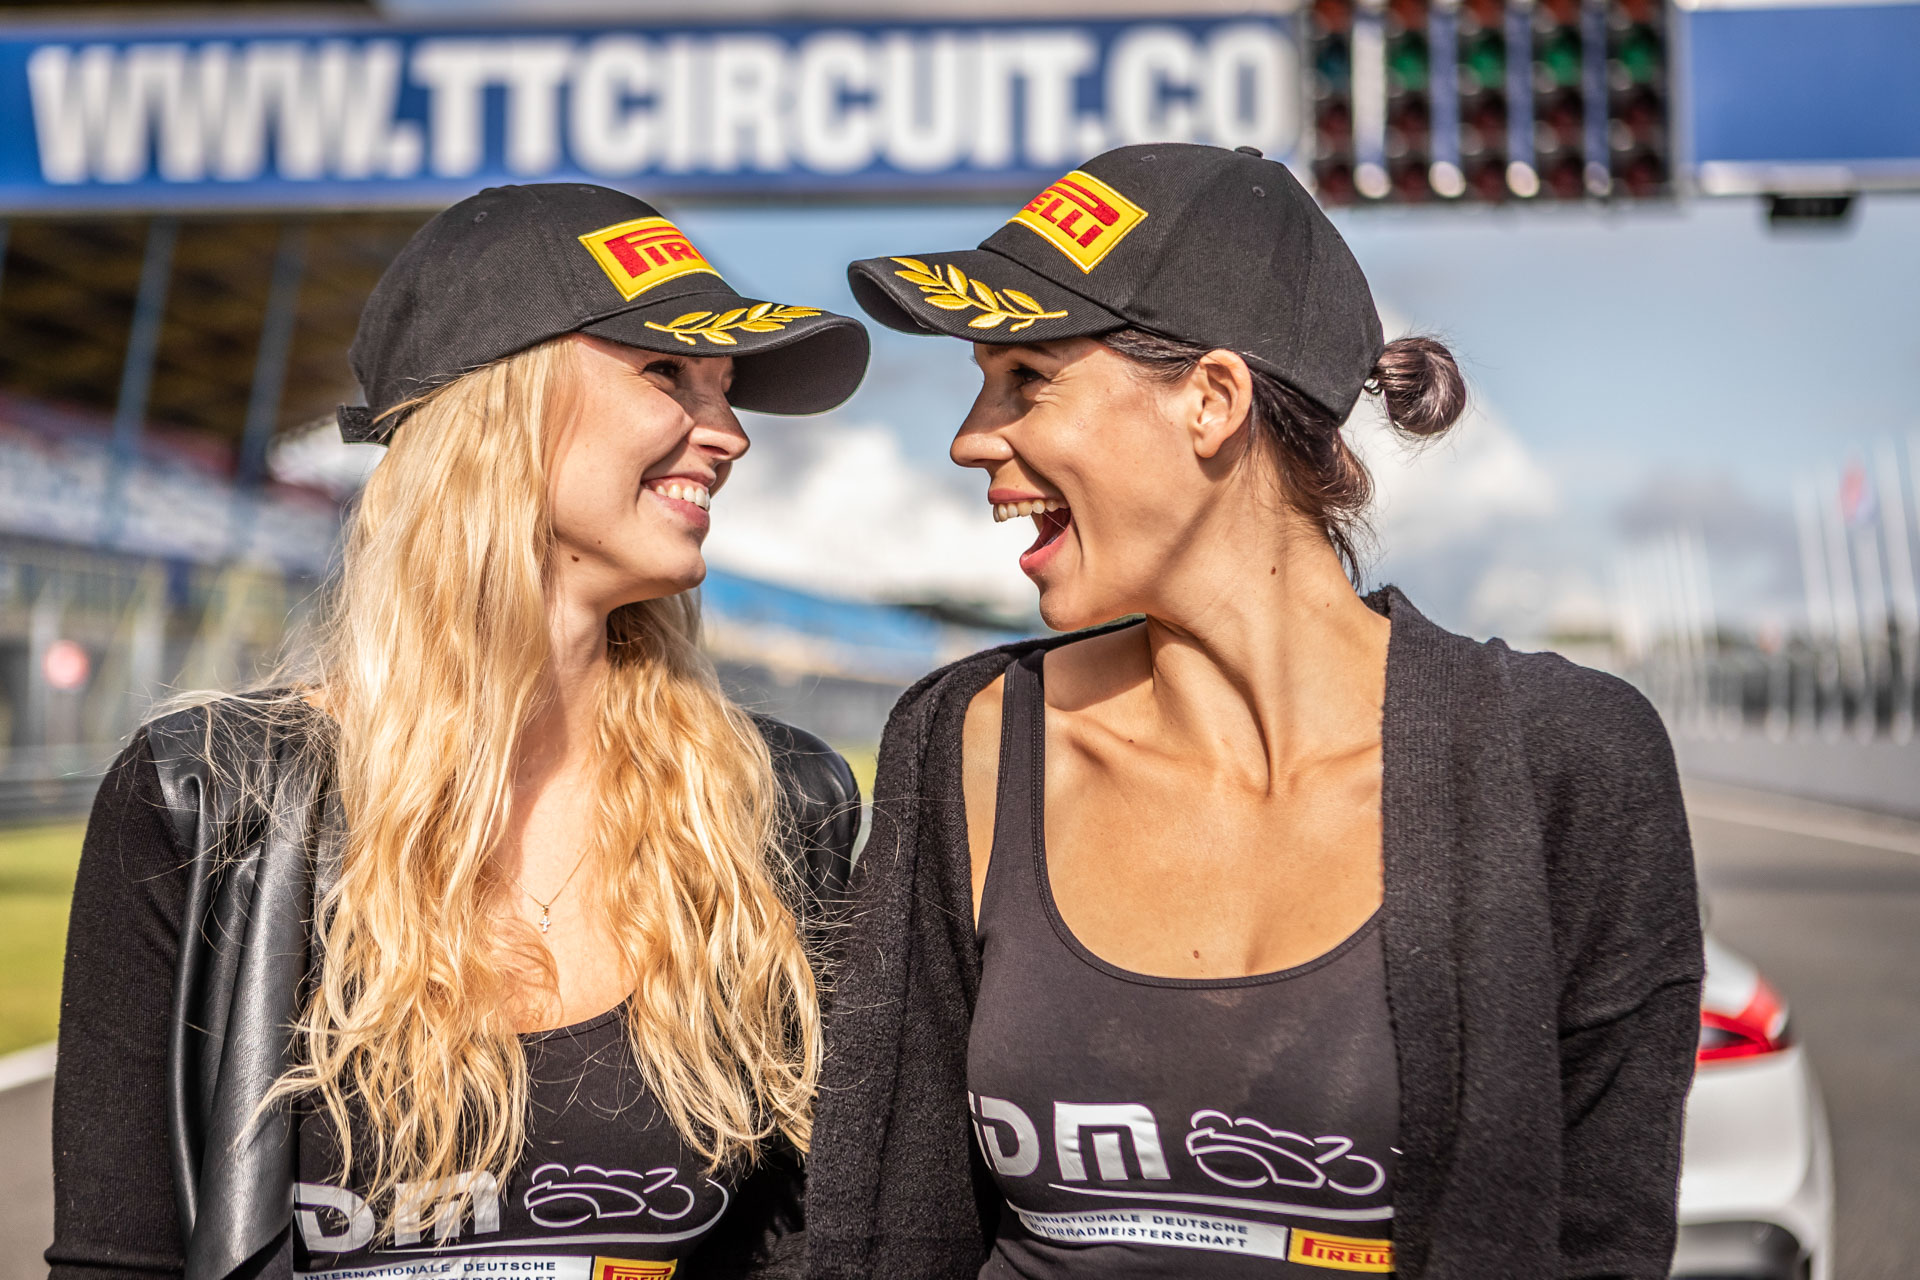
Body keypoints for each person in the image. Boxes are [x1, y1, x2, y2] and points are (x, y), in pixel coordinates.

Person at [807, 144, 1703, 1279]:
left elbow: (1601, 1245)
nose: (970, 438)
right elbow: (885, 1229)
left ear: (1212, 400)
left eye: (1025, 378)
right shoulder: (964, 738)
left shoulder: (1566, 761)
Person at [48, 184, 870, 1280]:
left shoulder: (778, 798)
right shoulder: (207, 797)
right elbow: (118, 1263)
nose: (728, 435)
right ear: (498, 404)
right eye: (667, 374)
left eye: (724, 391)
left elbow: (800, 1242)